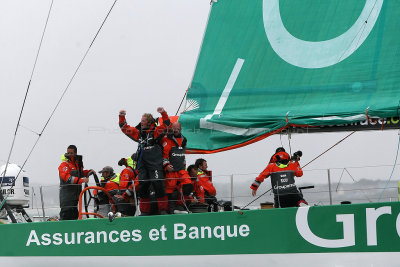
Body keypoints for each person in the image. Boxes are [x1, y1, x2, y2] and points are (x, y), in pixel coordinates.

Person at [119, 107, 170, 215]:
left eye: (143, 121)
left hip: (155, 160)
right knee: (142, 184)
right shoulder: (138, 133)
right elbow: (124, 128)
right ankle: (144, 211)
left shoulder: (156, 132)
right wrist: (122, 116)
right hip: (142, 161)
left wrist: (163, 113)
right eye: (141, 120)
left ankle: (163, 210)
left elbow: (166, 124)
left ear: (149, 122)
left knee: (158, 183)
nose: (141, 122)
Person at [162, 122, 192, 214]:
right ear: (171, 129)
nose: (175, 130)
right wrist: (166, 166)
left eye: (177, 129)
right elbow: (164, 155)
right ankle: (171, 210)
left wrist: (184, 165)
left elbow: (183, 156)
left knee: (188, 185)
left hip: (181, 170)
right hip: (171, 171)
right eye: (174, 128)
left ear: (180, 129)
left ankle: (180, 207)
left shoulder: (184, 140)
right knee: (170, 191)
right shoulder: (167, 139)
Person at [58, 145, 93, 220]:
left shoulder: (77, 164)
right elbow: (67, 178)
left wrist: (88, 172)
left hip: (76, 196)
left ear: (75, 153)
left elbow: (79, 173)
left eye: (71, 153)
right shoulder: (64, 165)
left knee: (75, 214)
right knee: (66, 215)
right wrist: (82, 180)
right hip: (67, 197)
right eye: (68, 153)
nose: (69, 154)